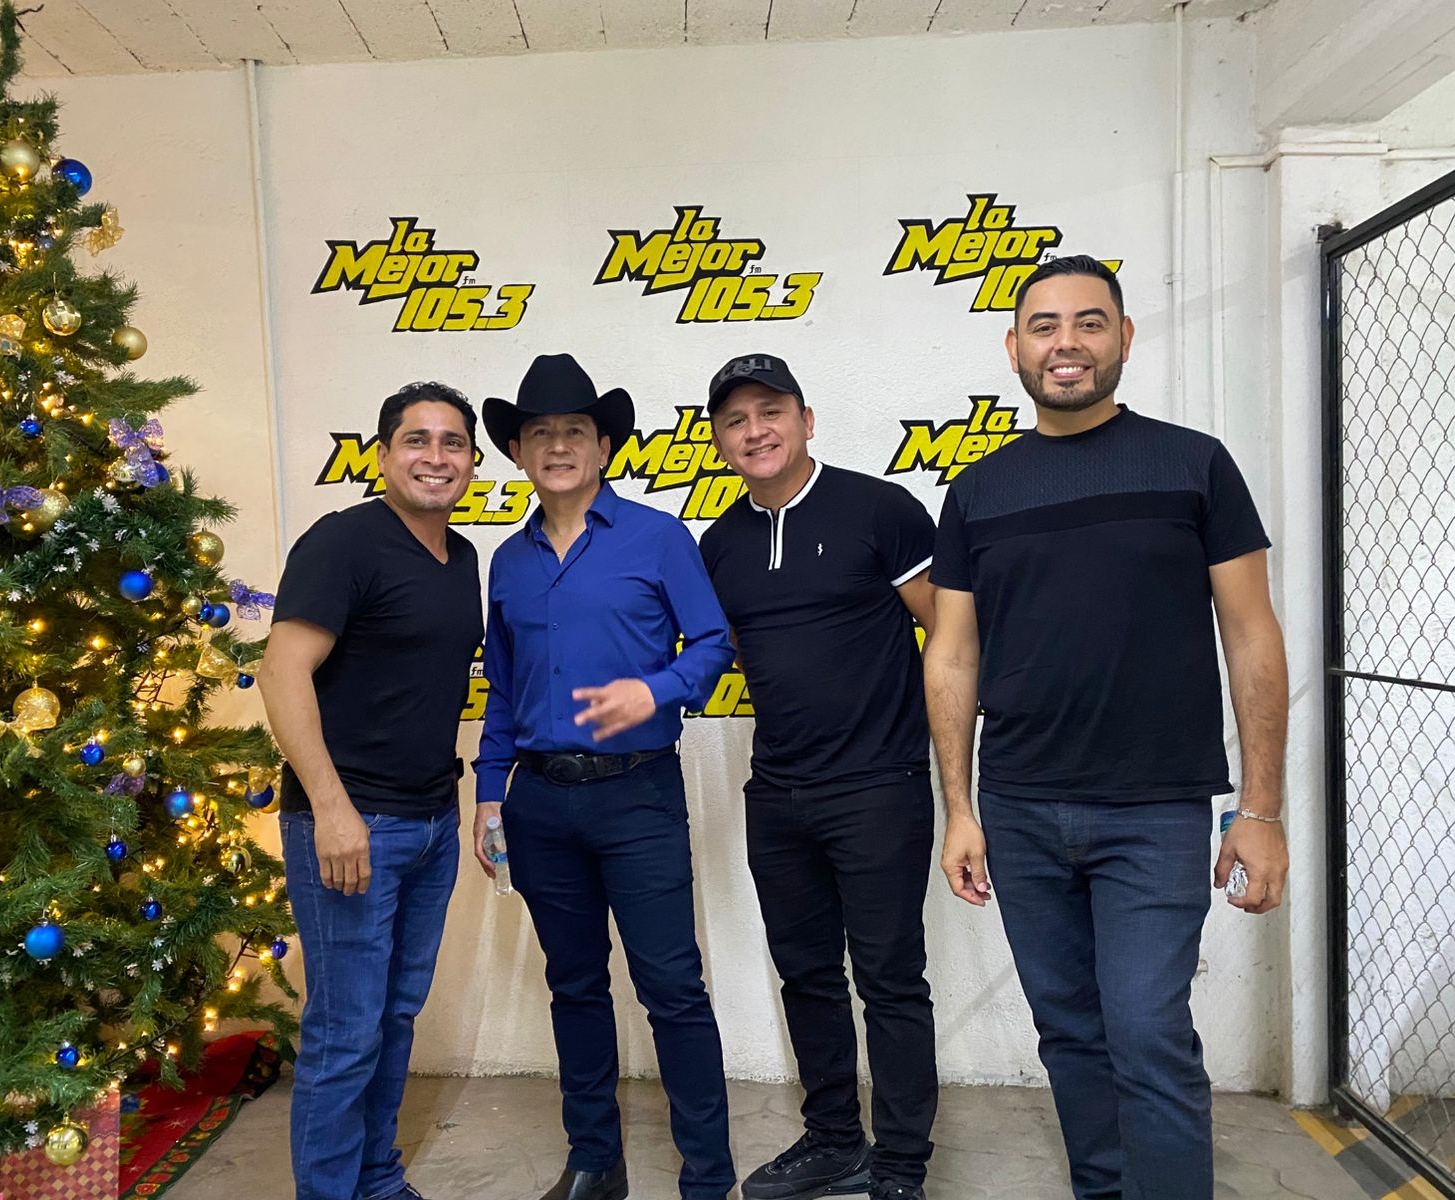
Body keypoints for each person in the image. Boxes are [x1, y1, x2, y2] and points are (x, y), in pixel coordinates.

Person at [925, 255, 1290, 1200]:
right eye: (1044, 326)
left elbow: (1252, 634)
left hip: (1154, 810)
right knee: (1071, 1033)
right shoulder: (978, 491)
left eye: (1090, 322)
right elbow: (953, 654)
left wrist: (1260, 810)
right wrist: (959, 808)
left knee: (1147, 1033)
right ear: (1014, 348)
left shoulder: (1193, 464)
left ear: (1124, 337)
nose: (1067, 344)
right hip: (1020, 808)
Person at [473, 353, 737, 1200]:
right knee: (575, 986)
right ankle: (595, 1162)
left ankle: (708, 1177)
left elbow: (715, 643)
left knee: (672, 987)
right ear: (518, 451)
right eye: (541, 433)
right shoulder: (508, 562)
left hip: (638, 796)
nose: (558, 446)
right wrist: (489, 793)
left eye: (575, 431)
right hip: (539, 804)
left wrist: (656, 691)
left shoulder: (658, 537)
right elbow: (504, 688)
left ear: (603, 446)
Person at [699, 354, 940, 1200]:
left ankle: (901, 1166)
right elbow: (722, 655)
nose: (755, 431)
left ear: (806, 420)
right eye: (735, 420)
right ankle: (835, 1140)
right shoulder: (719, 544)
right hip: (777, 793)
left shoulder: (881, 510)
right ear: (719, 441)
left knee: (890, 980)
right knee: (806, 976)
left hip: (879, 785)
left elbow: (951, 635)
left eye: (771, 412)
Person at [258, 381, 484, 1200]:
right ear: (384, 455)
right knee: (344, 1031)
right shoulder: (344, 542)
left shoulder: (462, 558)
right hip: (352, 824)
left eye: (453, 442)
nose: (436, 456)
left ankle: (377, 1179)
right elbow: (281, 672)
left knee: (392, 1019)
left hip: (429, 821)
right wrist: (331, 809)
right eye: (417, 439)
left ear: (472, 461)